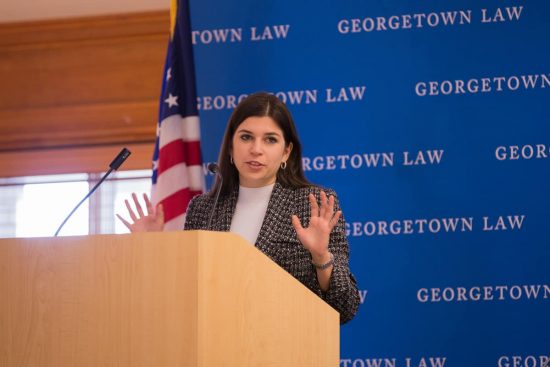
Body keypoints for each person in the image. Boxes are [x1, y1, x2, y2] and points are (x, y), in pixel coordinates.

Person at [118, 92, 360, 324]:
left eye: (270, 139)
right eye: (246, 137)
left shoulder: (313, 204)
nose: (256, 149)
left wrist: (321, 257)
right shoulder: (204, 209)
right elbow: (183, 294)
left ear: (286, 151)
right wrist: (150, 249)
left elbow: (345, 307)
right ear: (231, 147)